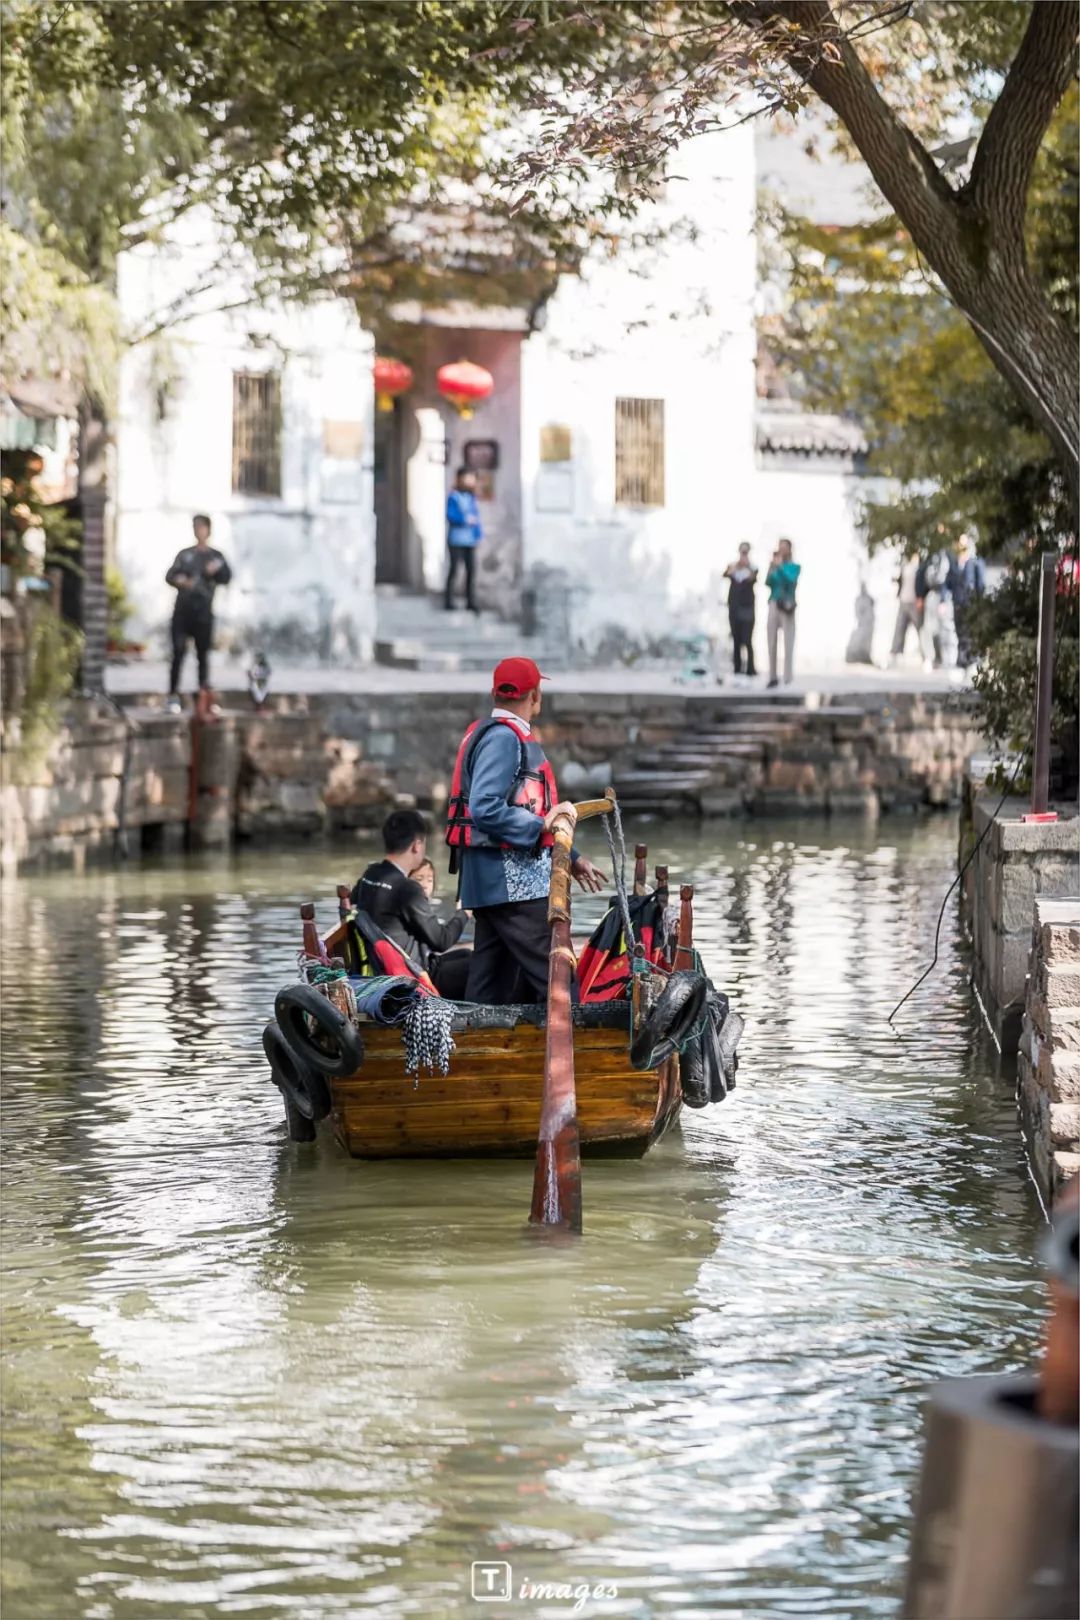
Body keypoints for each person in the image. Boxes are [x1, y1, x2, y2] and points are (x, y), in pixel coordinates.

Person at [448, 656, 606, 1005]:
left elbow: (525, 813)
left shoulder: (488, 732)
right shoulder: (504, 739)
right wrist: (543, 824)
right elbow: (486, 806)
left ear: (494, 693)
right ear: (535, 696)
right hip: (512, 885)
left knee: (491, 985)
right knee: (557, 974)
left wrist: (572, 858)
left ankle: (479, 1052)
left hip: (489, 882)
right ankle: (581, 1046)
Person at [350, 810, 467, 992]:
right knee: (481, 964)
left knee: (466, 955)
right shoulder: (407, 889)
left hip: (387, 968)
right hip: (414, 978)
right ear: (417, 846)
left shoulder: (370, 874)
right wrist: (464, 913)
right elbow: (442, 941)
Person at [165, 514, 231, 712]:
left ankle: (203, 698)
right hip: (183, 612)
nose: (199, 531)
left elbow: (227, 577)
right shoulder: (185, 555)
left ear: (208, 530)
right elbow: (169, 576)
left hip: (204, 613)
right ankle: (173, 694)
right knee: (178, 653)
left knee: (203, 656)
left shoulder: (215, 557)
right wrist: (182, 581)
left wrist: (215, 572)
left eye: (202, 527)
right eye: (196, 527)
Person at [444, 468, 483, 613]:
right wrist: (465, 520)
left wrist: (478, 534)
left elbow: (477, 517)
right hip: (456, 539)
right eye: (468, 477)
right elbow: (451, 515)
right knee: (454, 570)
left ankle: (470, 601)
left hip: (470, 540)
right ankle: (448, 600)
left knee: (471, 571)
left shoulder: (471, 497)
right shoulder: (454, 497)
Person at [765, 538, 800, 688]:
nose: (781, 549)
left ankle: (788, 677)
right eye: (780, 547)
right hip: (774, 602)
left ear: (789, 549)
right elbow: (768, 582)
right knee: (771, 641)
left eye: (784, 547)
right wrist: (772, 567)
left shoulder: (794, 566)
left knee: (788, 641)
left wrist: (780, 568)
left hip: (787, 605)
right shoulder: (774, 565)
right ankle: (772, 676)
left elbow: (791, 581)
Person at [916, 546, 958, 671]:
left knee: (946, 629)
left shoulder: (949, 556)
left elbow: (951, 578)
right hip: (932, 595)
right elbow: (922, 575)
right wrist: (921, 595)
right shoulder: (929, 556)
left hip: (944, 597)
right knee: (927, 629)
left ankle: (949, 659)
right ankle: (929, 658)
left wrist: (945, 599)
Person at [952, 532, 986, 669]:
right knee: (960, 630)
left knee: (969, 631)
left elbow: (980, 584)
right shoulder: (958, 561)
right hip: (958, 602)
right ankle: (962, 659)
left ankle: (969, 659)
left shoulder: (976, 562)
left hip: (970, 603)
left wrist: (977, 602)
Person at [724, 543, 758, 677]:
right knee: (736, 638)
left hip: (747, 607)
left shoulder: (753, 568)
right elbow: (726, 574)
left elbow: (753, 578)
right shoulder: (733, 566)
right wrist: (736, 566)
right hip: (734, 607)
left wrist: (747, 565)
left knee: (747, 639)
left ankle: (750, 668)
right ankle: (737, 668)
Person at [889, 554, 924, 665]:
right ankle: (895, 653)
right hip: (904, 600)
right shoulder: (904, 564)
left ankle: (926, 656)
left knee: (920, 628)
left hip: (914, 601)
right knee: (899, 628)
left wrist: (920, 598)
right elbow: (900, 580)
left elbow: (921, 583)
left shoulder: (920, 565)